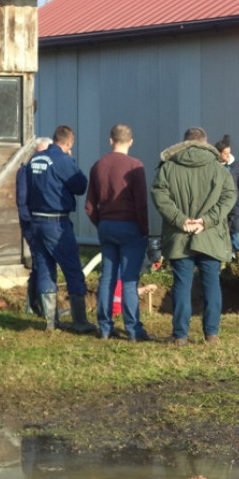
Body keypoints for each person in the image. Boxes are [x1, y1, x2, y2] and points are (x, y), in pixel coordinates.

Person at [151, 127, 236, 345]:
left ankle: (180, 335)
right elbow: (229, 197)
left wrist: (181, 220)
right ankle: (212, 334)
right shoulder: (219, 169)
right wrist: (206, 220)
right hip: (210, 235)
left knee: (181, 284)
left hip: (179, 235)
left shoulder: (168, 166)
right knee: (211, 284)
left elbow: (159, 195)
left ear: (184, 142)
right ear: (205, 143)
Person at [85, 124, 152, 341]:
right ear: (131, 141)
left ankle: (104, 327)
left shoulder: (98, 165)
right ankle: (133, 330)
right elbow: (141, 203)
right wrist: (145, 230)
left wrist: (101, 223)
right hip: (130, 225)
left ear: (110, 140)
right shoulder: (135, 166)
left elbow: (89, 206)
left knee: (107, 277)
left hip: (106, 225)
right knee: (130, 279)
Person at [26, 125, 95, 333]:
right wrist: (70, 160)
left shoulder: (35, 160)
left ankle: (51, 322)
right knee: (72, 269)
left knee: (45, 269)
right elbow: (81, 185)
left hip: (35, 221)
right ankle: (81, 321)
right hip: (56, 223)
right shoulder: (62, 160)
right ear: (69, 143)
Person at [16, 136, 52, 318]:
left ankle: (34, 303)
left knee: (41, 262)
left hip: (41, 221)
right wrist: (28, 221)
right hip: (31, 222)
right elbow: (22, 199)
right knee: (40, 262)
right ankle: (34, 303)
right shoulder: (25, 171)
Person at [214, 136, 239, 268]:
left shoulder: (236, 167)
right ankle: (222, 267)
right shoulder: (212, 168)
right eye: (225, 153)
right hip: (219, 211)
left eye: (229, 152)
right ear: (218, 153)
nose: (228, 155)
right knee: (220, 239)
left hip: (235, 209)